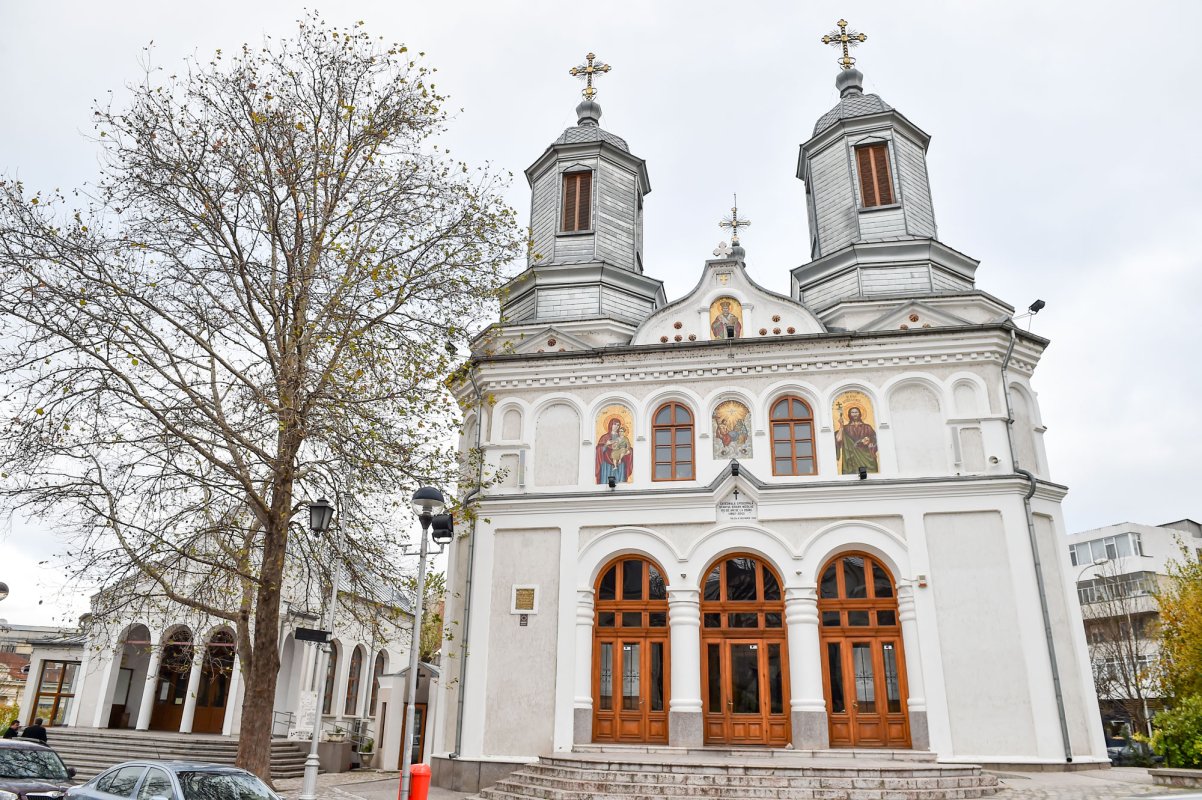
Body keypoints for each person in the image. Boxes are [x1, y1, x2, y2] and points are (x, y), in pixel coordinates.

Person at [835, 405, 878, 474]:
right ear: (849, 415)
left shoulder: (867, 427)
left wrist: (870, 442)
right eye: (852, 412)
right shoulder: (845, 428)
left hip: (866, 457)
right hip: (852, 458)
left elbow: (875, 440)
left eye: (856, 412)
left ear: (860, 414)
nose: (854, 414)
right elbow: (838, 439)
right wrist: (841, 426)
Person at [595, 417, 633, 484]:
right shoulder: (604, 437)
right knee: (609, 481)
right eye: (614, 424)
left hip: (620, 463)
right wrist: (606, 444)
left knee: (620, 482)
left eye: (618, 425)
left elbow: (628, 447)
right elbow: (599, 450)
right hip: (607, 464)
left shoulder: (622, 437)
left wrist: (628, 451)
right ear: (610, 425)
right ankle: (609, 485)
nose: (616, 426)